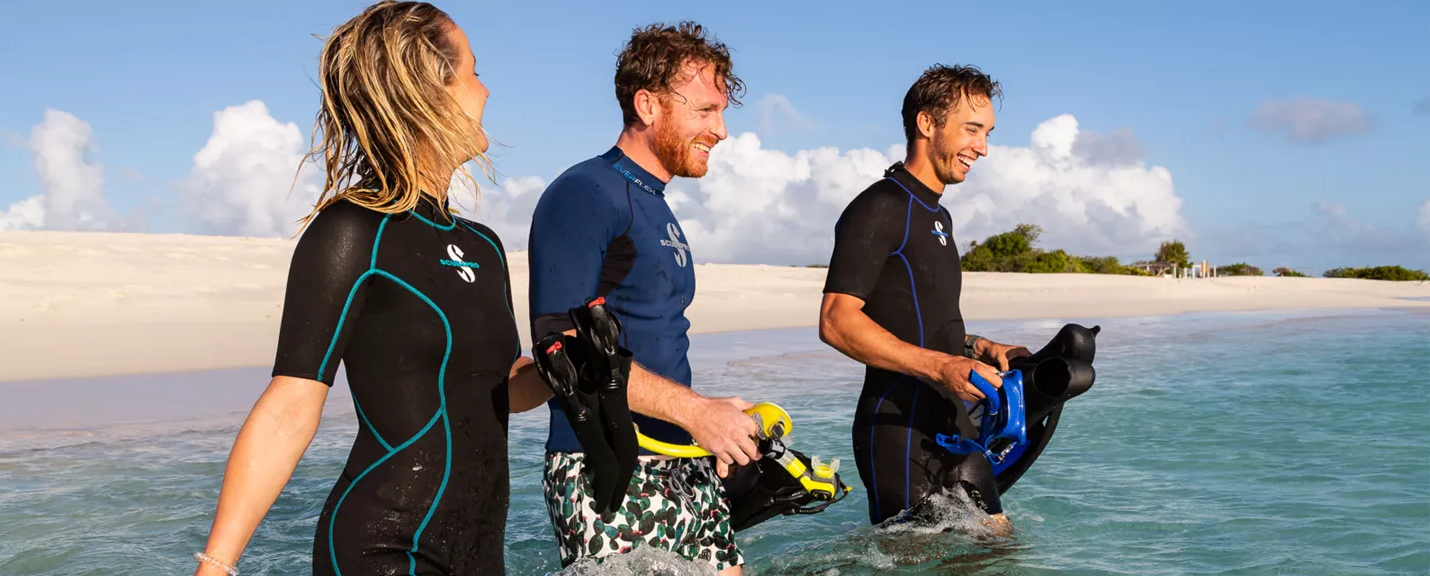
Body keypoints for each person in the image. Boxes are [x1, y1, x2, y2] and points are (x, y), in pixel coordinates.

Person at [192, 2, 553, 575]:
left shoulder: (482, 245)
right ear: (431, 91)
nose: (485, 91)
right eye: (474, 71)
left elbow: (495, 393)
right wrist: (216, 566)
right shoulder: (352, 232)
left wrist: (562, 370)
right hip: (382, 550)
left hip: (476, 556)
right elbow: (289, 408)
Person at [526, 21, 761, 575]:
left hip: (680, 458)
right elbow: (562, 348)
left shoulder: (654, 201)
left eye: (721, 112)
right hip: (606, 468)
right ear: (648, 105)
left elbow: (644, 335)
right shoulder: (585, 193)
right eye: (705, 112)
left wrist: (710, 413)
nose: (721, 130)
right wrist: (695, 411)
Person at [817, 64, 1029, 534]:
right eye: (972, 130)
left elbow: (915, 317)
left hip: (953, 425)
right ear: (926, 123)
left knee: (1000, 551)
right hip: (899, 429)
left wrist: (978, 347)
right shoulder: (878, 207)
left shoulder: (940, 216)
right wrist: (940, 367)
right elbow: (836, 320)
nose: (983, 148)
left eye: (987, 133)